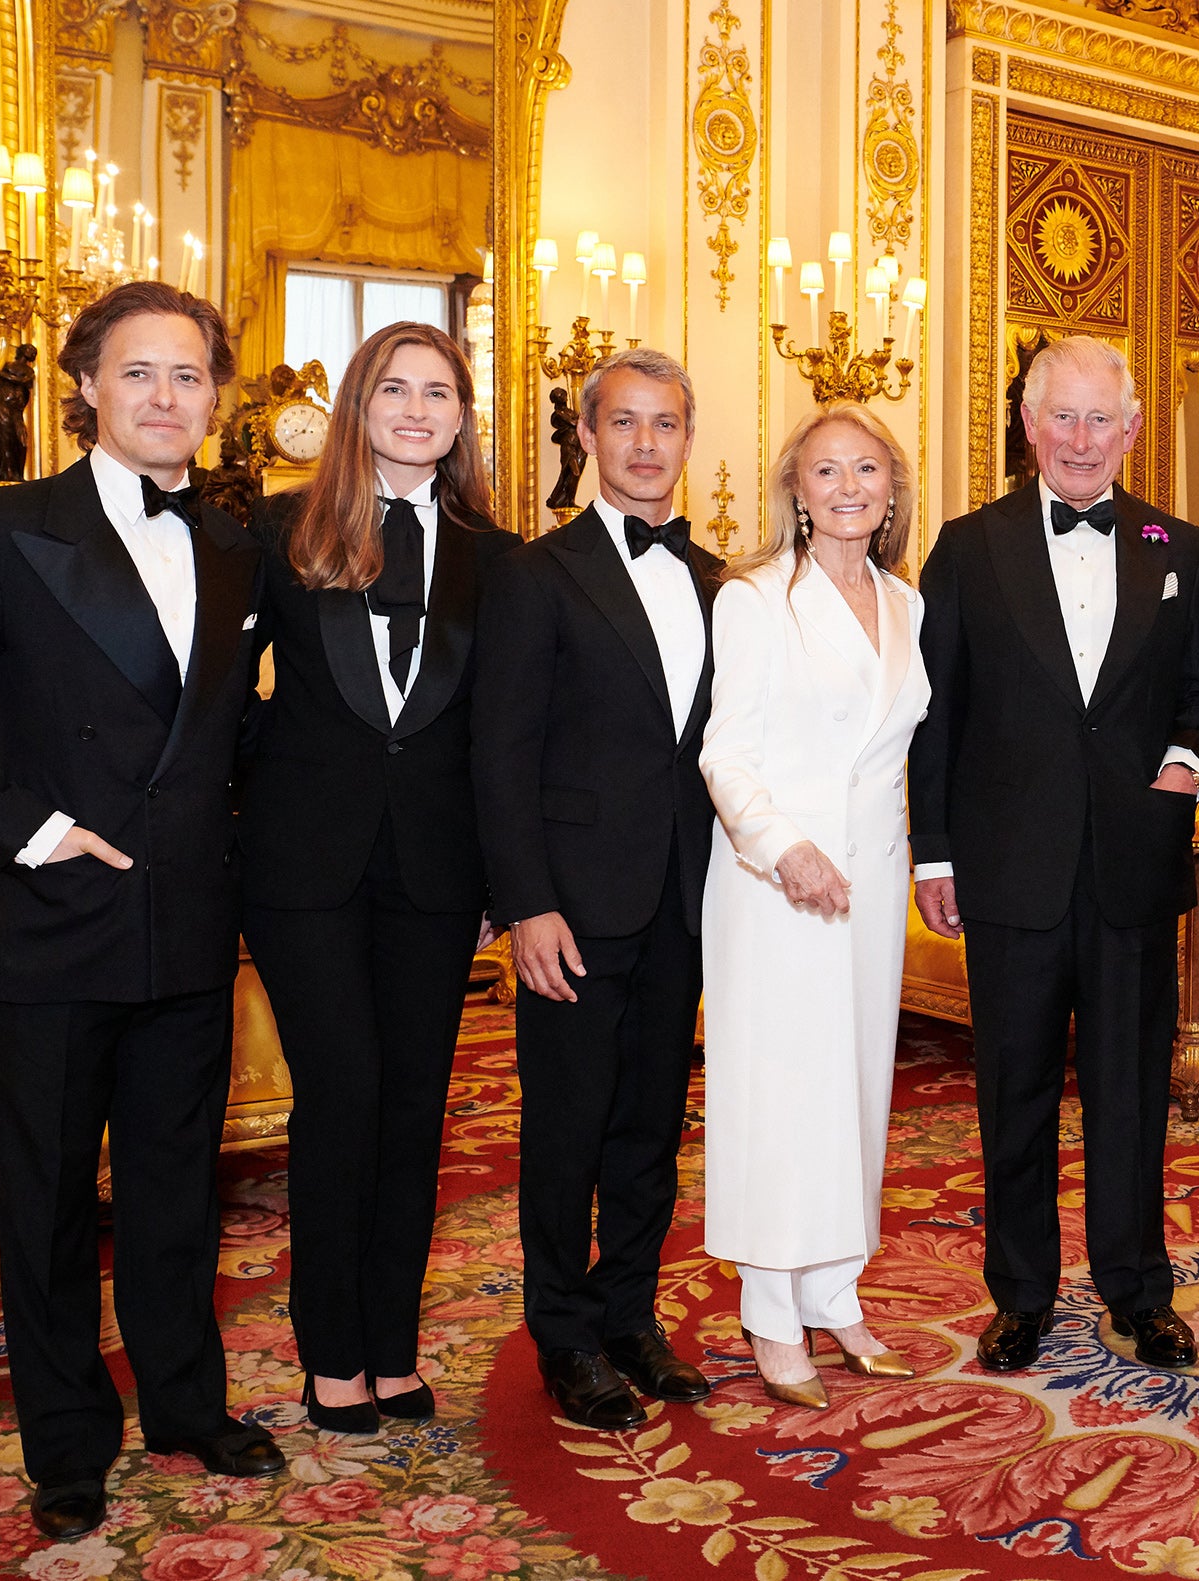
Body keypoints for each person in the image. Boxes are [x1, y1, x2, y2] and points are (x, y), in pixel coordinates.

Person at [0, 281, 279, 1539]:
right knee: (47, 1202)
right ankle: (66, 1442)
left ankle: (188, 1407)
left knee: (173, 1188)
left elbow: (235, 730)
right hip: (49, 921)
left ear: (216, 397)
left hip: (189, 919)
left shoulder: (230, 539)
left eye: (191, 377)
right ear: (87, 388)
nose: (168, 398)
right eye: (141, 374)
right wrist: (31, 830)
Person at [909, 335, 1199, 1374]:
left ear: (1131, 429)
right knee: (1015, 1089)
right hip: (1009, 866)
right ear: (1029, 424)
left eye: (1102, 419)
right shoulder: (966, 546)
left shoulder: (1176, 545)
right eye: (1063, 417)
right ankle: (1022, 1295)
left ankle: (1139, 1289)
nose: (1082, 439)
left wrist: (1184, 763)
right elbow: (934, 714)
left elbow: (1198, 696)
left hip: (1132, 864)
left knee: (1131, 1090)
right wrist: (934, 854)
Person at [238, 322, 514, 1436]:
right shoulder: (277, 528)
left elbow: (501, 729)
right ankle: (330, 1356)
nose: (415, 409)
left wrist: (508, 872)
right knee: (342, 1094)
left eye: (437, 393)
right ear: (359, 406)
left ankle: (392, 1351)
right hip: (306, 865)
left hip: (437, 870)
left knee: (414, 1106)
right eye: (393, 389)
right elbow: (217, 689)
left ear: (460, 417)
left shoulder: (496, 555)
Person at [474, 348, 723, 1429]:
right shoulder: (536, 574)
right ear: (586, 436)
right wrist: (526, 902)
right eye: (623, 424)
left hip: (686, 897)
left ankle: (628, 1314)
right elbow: (500, 751)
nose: (643, 445)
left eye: (664, 425)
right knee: (565, 1130)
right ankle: (563, 1334)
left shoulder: (720, 581)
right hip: (571, 904)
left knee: (649, 1127)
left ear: (686, 439)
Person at [700, 402, 929, 1408]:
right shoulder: (756, 599)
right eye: (826, 471)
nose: (848, 488)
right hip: (775, 888)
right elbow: (725, 752)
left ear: (891, 489)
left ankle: (836, 1293)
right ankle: (769, 1311)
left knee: (855, 1093)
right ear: (795, 486)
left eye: (866, 470)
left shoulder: (905, 602)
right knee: (778, 1097)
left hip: (871, 883)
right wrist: (781, 848)